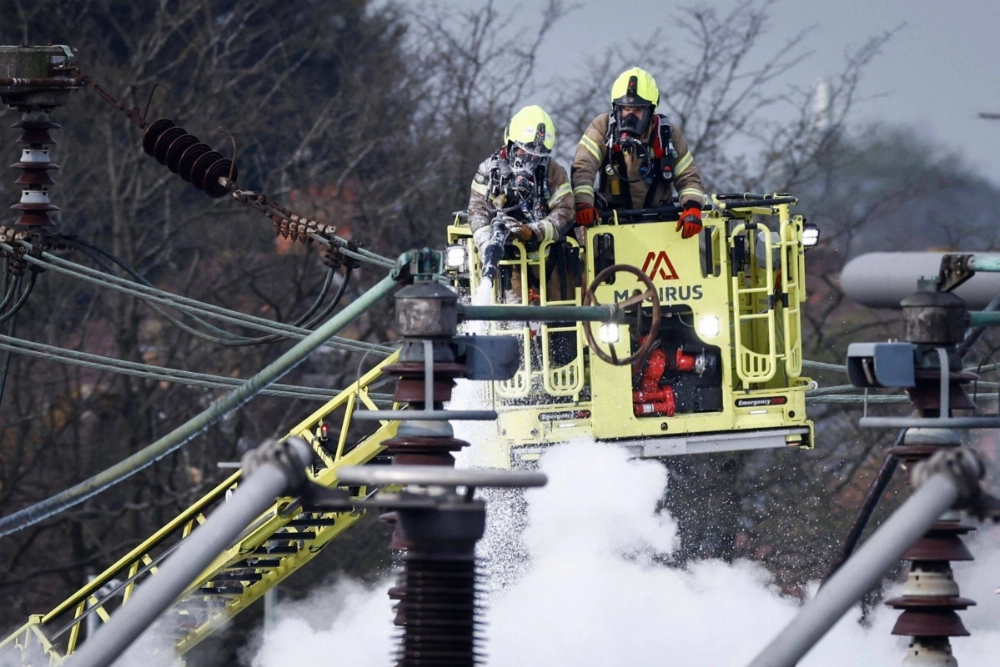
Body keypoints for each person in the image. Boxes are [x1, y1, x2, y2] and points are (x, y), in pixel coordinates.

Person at [571, 67, 707, 238]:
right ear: (616, 109)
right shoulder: (603, 127)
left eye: (637, 111)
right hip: (612, 227)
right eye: (625, 110)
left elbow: (689, 177)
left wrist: (693, 207)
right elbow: (583, 166)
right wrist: (584, 202)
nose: (630, 116)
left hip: (659, 227)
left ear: (650, 111)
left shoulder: (667, 134)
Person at [468, 105, 575, 302]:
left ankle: (561, 332)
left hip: (548, 258)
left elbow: (565, 211)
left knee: (561, 316)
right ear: (510, 143)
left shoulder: (552, 171)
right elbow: (477, 211)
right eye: (523, 152)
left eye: (536, 155)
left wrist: (533, 231)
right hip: (508, 259)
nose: (529, 160)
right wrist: (488, 246)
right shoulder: (490, 171)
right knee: (514, 318)